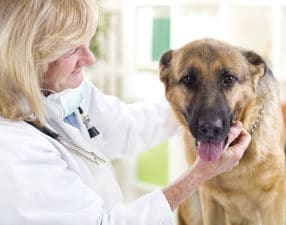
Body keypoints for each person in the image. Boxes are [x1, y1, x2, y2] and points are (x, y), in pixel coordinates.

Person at [0, 1, 251, 225]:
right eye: (70, 49)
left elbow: (128, 127)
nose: (89, 58)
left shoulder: (63, 88)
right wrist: (198, 175)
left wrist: (197, 110)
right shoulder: (12, 147)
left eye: (86, 41)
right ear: (26, 56)